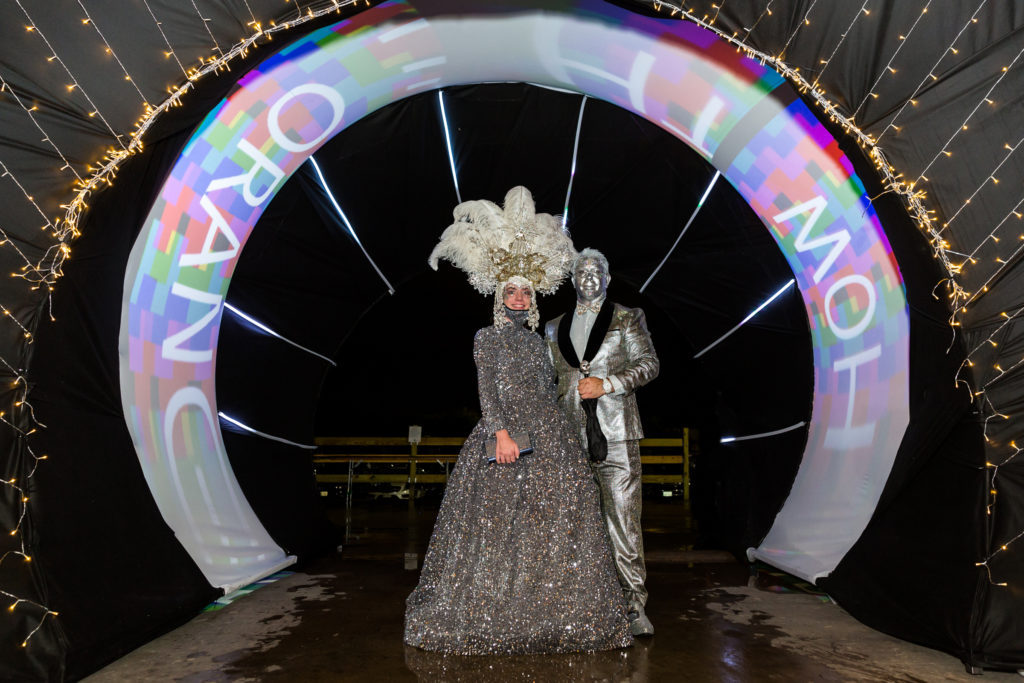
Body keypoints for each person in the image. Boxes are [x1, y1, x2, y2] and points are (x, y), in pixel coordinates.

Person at [404, 187, 633, 655]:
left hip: (550, 434)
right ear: (499, 294)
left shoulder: (537, 342)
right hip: (506, 434)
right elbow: (488, 390)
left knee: (562, 514)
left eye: (525, 291)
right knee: (497, 526)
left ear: (533, 298)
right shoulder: (486, 338)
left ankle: (554, 611)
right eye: (511, 289)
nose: (518, 296)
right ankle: (494, 608)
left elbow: (552, 386)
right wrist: (500, 434)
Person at [544, 248, 660, 636]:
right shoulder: (551, 327)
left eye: (597, 272)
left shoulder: (628, 317)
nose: (589, 278)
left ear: (607, 279)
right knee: (573, 526)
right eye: (582, 272)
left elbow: (648, 365)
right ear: (573, 280)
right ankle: (581, 603)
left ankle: (633, 606)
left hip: (617, 437)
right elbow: (547, 385)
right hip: (568, 442)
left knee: (623, 524)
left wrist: (607, 384)